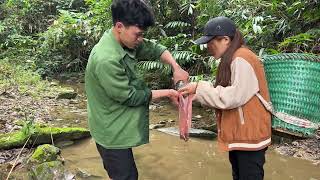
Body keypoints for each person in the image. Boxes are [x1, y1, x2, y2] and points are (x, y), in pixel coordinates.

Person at [84, 0, 188, 179]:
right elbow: (129, 96)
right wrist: (169, 93)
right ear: (119, 26)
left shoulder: (124, 40)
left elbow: (155, 48)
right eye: (138, 35)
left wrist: (176, 67)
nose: (140, 40)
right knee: (126, 176)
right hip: (111, 133)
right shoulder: (106, 59)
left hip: (122, 124)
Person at [178, 16, 271, 180]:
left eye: (210, 42)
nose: (208, 47)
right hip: (241, 135)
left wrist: (199, 88)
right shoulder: (233, 58)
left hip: (249, 136)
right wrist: (197, 94)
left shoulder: (242, 58)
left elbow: (233, 97)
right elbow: (227, 92)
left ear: (225, 39)